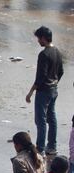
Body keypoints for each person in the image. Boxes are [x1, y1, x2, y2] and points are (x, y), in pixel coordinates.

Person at [25, 26, 64, 156]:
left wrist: (30, 92)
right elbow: (61, 72)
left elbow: (41, 76)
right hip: (54, 90)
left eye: (38, 38)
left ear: (43, 38)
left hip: (43, 91)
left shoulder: (44, 54)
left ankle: (40, 148)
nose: (38, 41)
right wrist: (54, 83)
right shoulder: (57, 52)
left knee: (40, 120)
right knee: (51, 118)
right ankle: (52, 146)